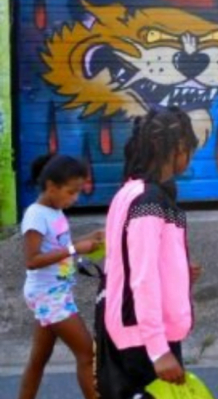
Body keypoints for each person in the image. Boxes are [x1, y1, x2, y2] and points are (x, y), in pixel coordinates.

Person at [95, 108, 200, 399]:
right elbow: (142, 277)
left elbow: (127, 261)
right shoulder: (148, 201)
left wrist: (180, 274)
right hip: (143, 339)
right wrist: (158, 350)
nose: (190, 157)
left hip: (134, 328)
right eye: (189, 149)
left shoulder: (131, 192)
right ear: (178, 147)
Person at [17, 154, 103, 399]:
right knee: (87, 353)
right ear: (51, 186)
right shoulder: (36, 214)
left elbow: (58, 247)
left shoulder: (55, 211)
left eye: (78, 192)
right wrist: (75, 249)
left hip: (56, 292)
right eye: (71, 192)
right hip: (48, 294)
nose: (75, 198)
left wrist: (88, 240)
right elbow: (32, 260)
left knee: (38, 359)